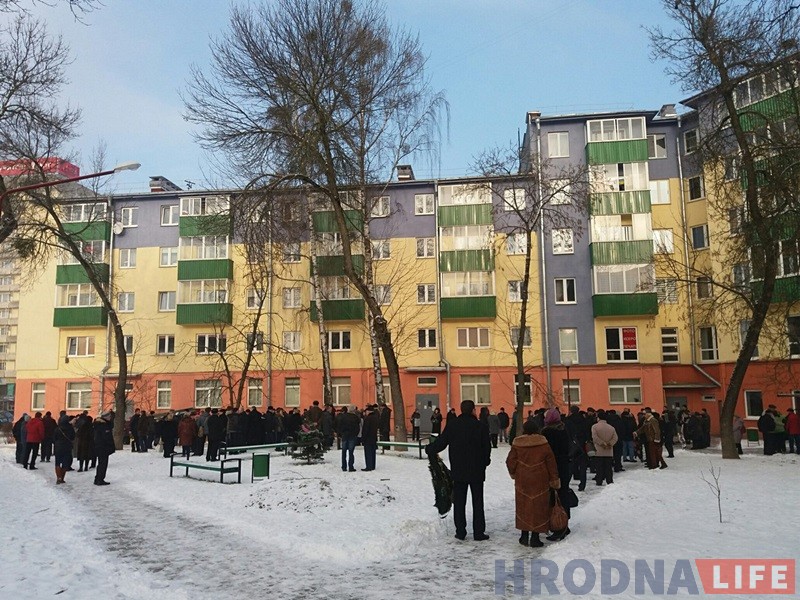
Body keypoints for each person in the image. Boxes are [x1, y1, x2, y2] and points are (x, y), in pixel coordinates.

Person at [426, 400, 491, 541]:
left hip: (459, 470)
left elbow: (442, 442)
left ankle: (460, 531)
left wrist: (429, 449)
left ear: (461, 410)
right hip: (477, 470)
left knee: (459, 501)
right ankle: (479, 532)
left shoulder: (453, 425)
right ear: (473, 410)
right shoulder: (480, 426)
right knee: (478, 502)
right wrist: (485, 462)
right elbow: (487, 447)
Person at [506, 419, 561, 548]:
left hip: (523, 479)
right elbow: (551, 464)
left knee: (523, 505)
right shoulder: (543, 444)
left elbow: (510, 461)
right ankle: (535, 537)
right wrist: (554, 480)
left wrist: (514, 473)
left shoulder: (517, 444)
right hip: (540, 479)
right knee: (538, 506)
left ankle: (524, 535)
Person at [541, 407, 572, 541]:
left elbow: (546, 453)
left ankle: (559, 527)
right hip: (565, 466)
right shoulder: (563, 429)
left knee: (555, 497)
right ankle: (565, 524)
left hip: (553, 468)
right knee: (563, 493)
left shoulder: (548, 432)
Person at [591, 410, 618, 485]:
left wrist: (602, 443)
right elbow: (615, 438)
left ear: (598, 418)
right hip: (609, 451)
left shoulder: (594, 427)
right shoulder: (611, 428)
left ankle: (599, 481)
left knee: (599, 467)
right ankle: (609, 481)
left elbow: (594, 437)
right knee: (608, 468)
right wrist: (610, 444)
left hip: (598, 450)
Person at [93, 412, 115, 486]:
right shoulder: (103, 426)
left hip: (99, 446)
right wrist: (110, 445)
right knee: (103, 463)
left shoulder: (98, 424)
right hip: (103, 447)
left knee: (101, 463)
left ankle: (98, 478)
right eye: (109, 416)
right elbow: (107, 437)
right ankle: (100, 479)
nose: (110, 418)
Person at [52, 414, 76, 484]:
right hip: (67, 447)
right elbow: (73, 437)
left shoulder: (57, 428)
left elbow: (54, 438)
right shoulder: (70, 428)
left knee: (58, 463)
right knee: (65, 463)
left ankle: (58, 477)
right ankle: (62, 478)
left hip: (58, 447)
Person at [336, 405, 360, 472]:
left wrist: (340, 433)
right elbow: (357, 427)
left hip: (345, 435)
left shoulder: (343, 416)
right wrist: (356, 434)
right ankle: (351, 466)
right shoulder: (355, 417)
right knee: (351, 452)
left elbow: (339, 425)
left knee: (344, 451)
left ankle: (344, 466)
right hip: (352, 436)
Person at [361, 405, 379, 471]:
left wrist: (363, 438)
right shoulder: (376, 417)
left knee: (368, 453)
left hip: (368, 438)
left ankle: (368, 466)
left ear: (368, 411)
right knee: (373, 452)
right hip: (374, 437)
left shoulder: (368, 418)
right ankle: (373, 465)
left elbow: (365, 429)